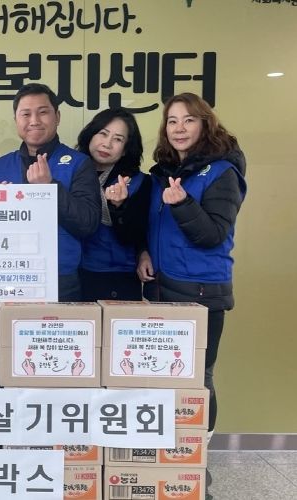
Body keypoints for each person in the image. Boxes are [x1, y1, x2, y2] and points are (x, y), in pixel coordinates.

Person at [137, 93, 247, 471]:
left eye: (188, 120)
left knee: (198, 379)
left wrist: (183, 203)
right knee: (161, 375)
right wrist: (144, 252)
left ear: (205, 124)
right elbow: (155, 228)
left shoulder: (222, 172)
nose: (179, 128)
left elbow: (213, 234)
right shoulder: (165, 173)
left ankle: (196, 462)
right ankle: (162, 459)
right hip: (160, 288)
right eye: (172, 121)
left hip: (201, 293)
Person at [0, 83, 101, 301]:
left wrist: (49, 188)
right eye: (26, 114)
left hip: (60, 278)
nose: (34, 121)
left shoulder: (79, 163)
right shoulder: (1, 165)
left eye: (43, 112)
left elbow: (88, 224)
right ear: (16, 120)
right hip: (7, 275)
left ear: (57, 117)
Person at [76, 108, 150, 301]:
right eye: (103, 133)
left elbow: (137, 236)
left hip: (116, 276)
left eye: (118, 139)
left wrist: (119, 207)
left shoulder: (138, 182)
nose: (107, 144)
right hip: (72, 273)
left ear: (125, 149)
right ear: (91, 135)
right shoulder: (70, 173)